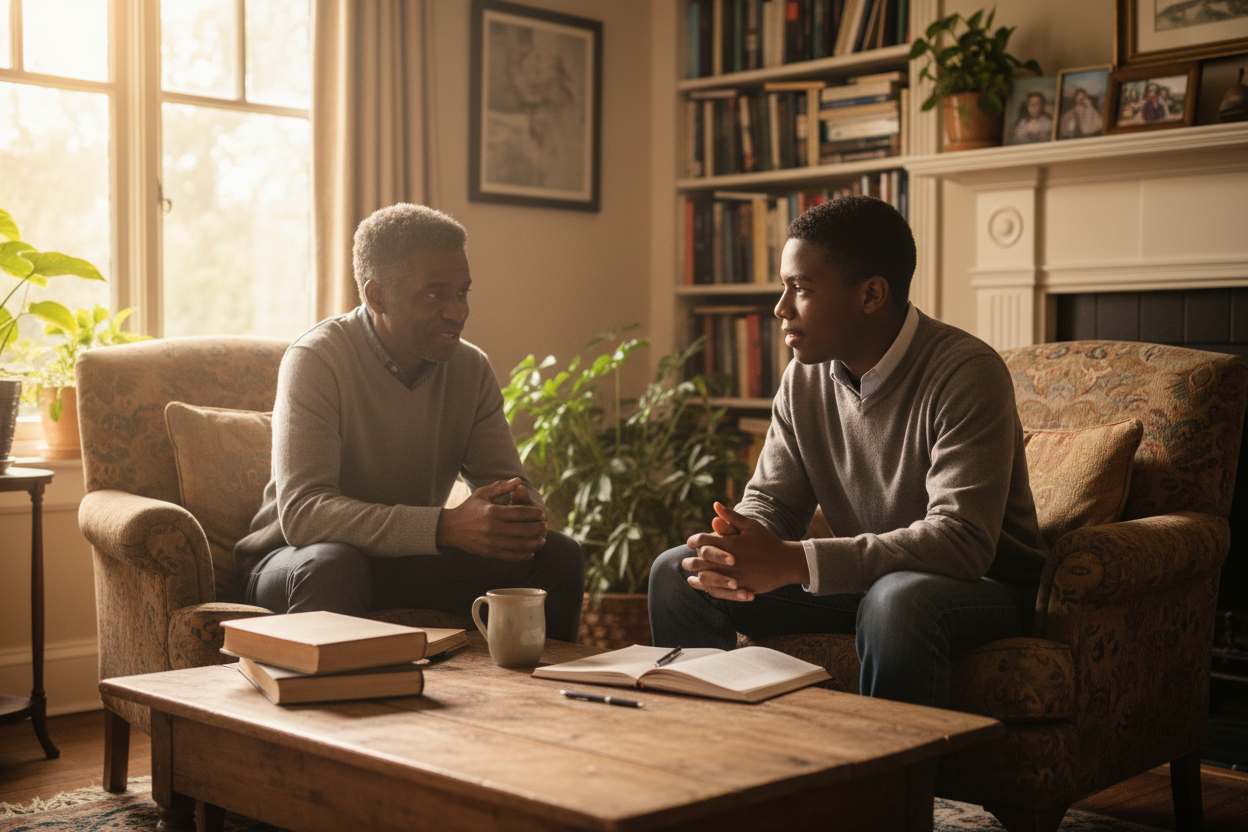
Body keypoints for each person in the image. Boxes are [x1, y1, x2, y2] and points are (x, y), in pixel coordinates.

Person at [647, 196, 1047, 708]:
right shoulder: (804, 380)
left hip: (981, 588)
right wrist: (738, 542)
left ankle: (896, 789)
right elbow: (774, 502)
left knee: (897, 600)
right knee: (679, 573)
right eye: (783, 287)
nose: (781, 307)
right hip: (871, 581)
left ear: (872, 294)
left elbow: (961, 541)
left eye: (802, 289)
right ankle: (715, 773)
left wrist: (797, 562)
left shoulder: (966, 372)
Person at [236, 203, 585, 641]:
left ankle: (551, 699)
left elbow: (506, 480)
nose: (457, 312)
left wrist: (518, 513)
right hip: (293, 562)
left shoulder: (471, 369)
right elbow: (304, 514)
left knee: (558, 556)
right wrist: (446, 525)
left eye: (462, 293)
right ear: (376, 295)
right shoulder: (317, 359)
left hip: (406, 561)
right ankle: (323, 709)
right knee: (334, 564)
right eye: (436, 294)